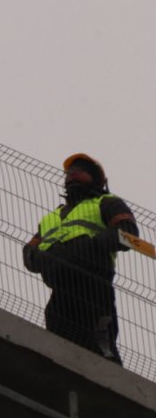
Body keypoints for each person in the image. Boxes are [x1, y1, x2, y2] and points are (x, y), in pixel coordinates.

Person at [22, 153, 139, 364]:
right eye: (69, 172)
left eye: (80, 170)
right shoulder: (52, 217)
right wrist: (39, 258)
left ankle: (111, 389)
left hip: (93, 287)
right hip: (61, 290)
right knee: (58, 344)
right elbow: (30, 252)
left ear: (95, 178)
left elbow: (128, 234)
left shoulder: (107, 202)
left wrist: (90, 247)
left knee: (100, 347)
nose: (72, 175)